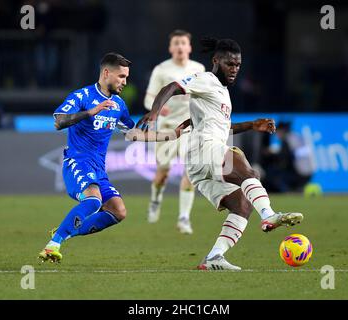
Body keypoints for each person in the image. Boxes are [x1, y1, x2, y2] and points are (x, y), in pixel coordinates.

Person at [137, 37, 304, 271]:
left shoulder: (223, 92)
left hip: (200, 165)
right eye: (229, 64)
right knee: (244, 166)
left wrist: (252, 125)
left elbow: (223, 127)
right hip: (203, 150)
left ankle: (214, 257)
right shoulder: (206, 79)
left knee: (242, 205)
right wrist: (154, 114)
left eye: (237, 65)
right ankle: (268, 214)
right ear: (216, 61)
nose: (234, 69)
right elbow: (171, 87)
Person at [38, 52, 188, 263]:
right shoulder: (82, 96)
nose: (125, 82)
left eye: (126, 77)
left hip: (99, 169)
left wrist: (171, 135)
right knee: (93, 200)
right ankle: (52, 245)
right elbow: (59, 122)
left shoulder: (118, 105)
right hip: (77, 162)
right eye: (121, 77)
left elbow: (133, 134)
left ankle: (66, 230)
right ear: (106, 73)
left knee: (118, 211)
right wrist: (90, 112)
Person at [144, 29, 205, 234]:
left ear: (189, 47)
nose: (180, 46)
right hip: (167, 129)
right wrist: (159, 108)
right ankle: (155, 200)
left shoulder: (199, 69)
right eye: (176, 43)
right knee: (163, 173)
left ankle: (184, 218)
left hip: (190, 128)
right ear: (171, 47)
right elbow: (148, 99)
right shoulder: (161, 70)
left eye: (183, 43)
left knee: (190, 171)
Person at [261, 121, 313, 192]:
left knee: (275, 176)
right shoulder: (295, 136)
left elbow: (284, 158)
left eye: (277, 132)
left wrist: (271, 154)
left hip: (300, 173)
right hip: (309, 172)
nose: (277, 135)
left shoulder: (287, 140)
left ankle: (289, 193)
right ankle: (296, 189)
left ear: (282, 131)